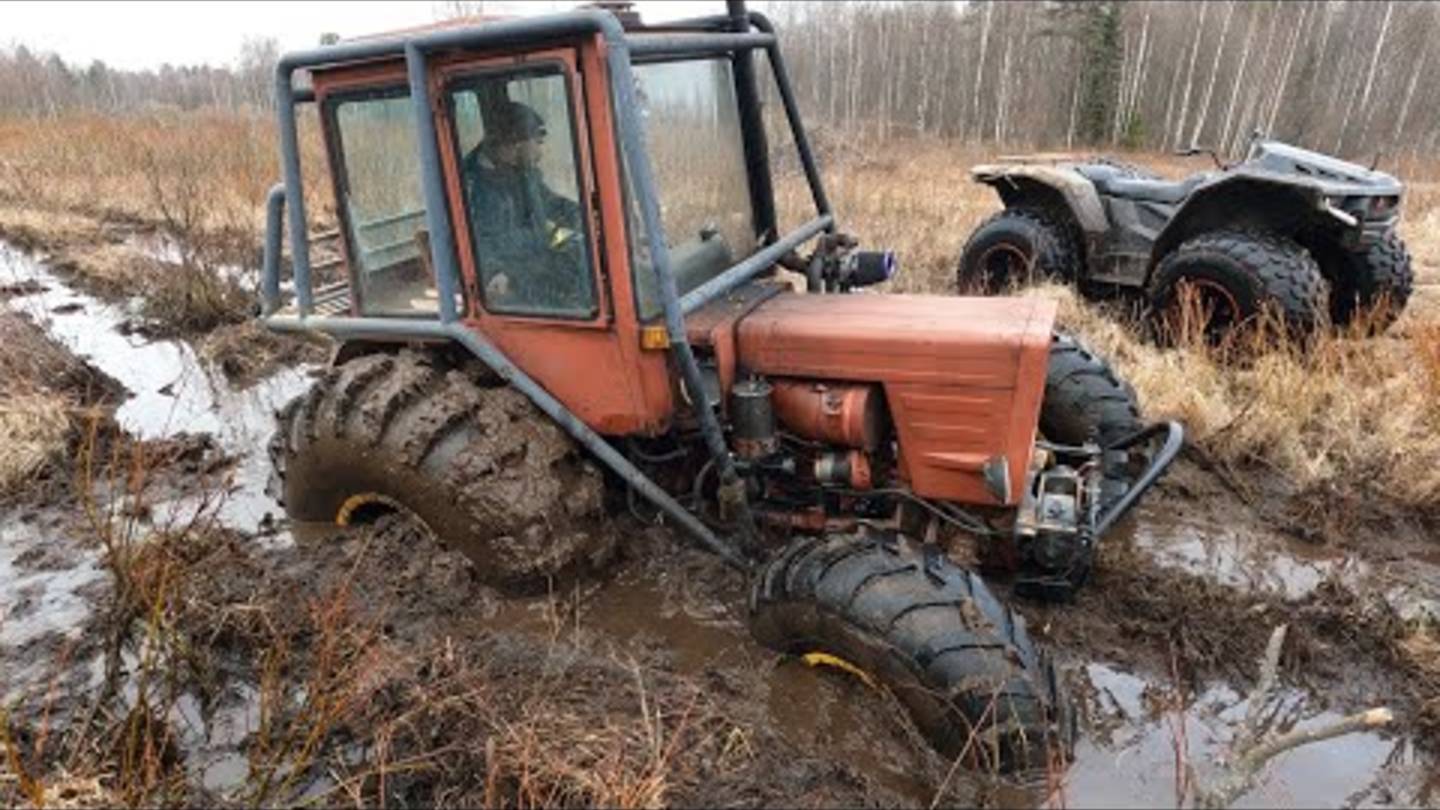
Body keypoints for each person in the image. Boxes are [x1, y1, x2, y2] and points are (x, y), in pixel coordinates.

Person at [461, 100, 589, 312]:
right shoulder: (472, 186)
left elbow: (550, 203)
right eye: (537, 142)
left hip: (532, 264)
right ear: (516, 143)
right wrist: (497, 272)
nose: (540, 151)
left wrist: (585, 216)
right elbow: (473, 244)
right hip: (506, 281)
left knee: (581, 256)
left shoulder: (521, 172)